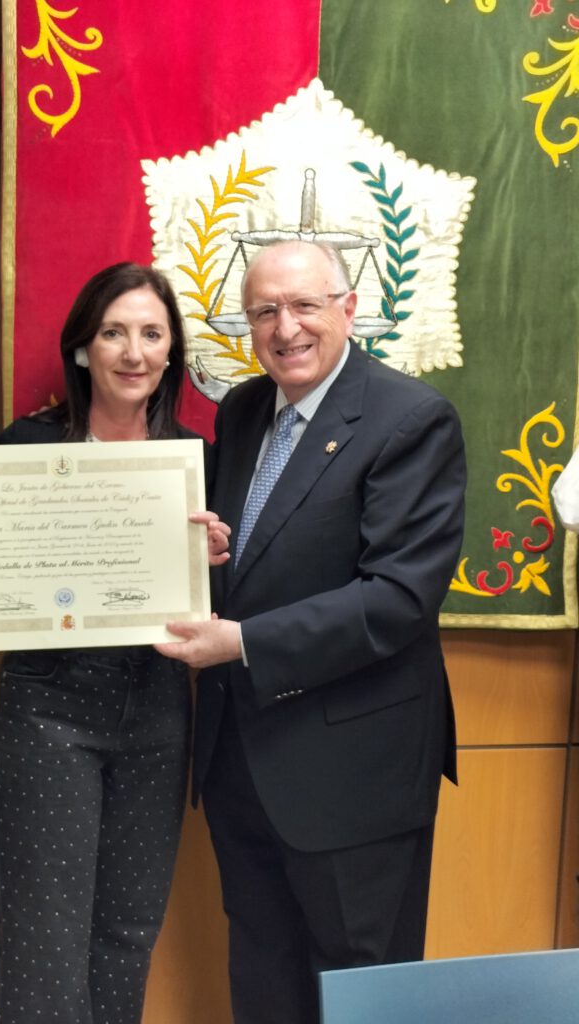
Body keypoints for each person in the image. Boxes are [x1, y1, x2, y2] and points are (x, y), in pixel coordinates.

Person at [0, 262, 229, 1024]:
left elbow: (223, 603)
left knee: (127, 935)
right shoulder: (26, 445)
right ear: (83, 347)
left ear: (172, 352)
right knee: (42, 944)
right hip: (47, 713)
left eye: (152, 335)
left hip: (157, 714)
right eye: (113, 333)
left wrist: (217, 557)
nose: (133, 352)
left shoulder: (195, 461)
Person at [156, 240, 467, 1024]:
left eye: (304, 306)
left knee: (362, 998)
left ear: (349, 308)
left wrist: (243, 643)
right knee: (264, 984)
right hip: (243, 764)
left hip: (356, 778)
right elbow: (247, 555)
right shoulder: (243, 410)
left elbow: (396, 599)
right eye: (265, 311)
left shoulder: (411, 419)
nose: (285, 328)